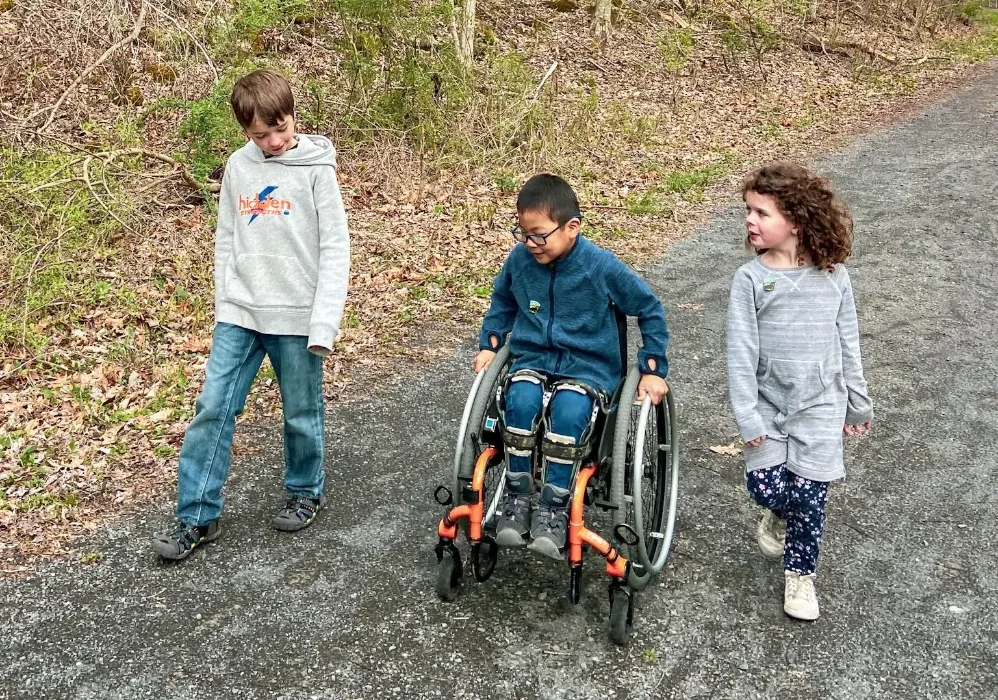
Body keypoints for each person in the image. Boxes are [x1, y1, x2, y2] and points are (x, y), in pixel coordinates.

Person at [151, 69, 350, 560]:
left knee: (302, 413)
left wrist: (324, 322)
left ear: (292, 116)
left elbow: (335, 248)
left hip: (297, 316)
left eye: (280, 128)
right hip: (241, 313)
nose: (275, 141)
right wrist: (226, 300)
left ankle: (305, 492)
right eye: (262, 135)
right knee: (213, 408)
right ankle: (197, 516)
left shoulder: (316, 169)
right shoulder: (239, 167)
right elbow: (226, 238)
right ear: (244, 130)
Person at [474, 173, 670, 560]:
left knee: (569, 407)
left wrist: (652, 367)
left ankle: (554, 507)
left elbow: (649, 308)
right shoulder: (520, 261)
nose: (529, 243)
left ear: (572, 228)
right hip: (533, 360)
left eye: (538, 234)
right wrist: (490, 343)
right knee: (521, 395)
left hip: (588, 368)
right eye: (522, 233)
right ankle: (517, 496)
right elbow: (502, 300)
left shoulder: (600, 266)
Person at [726, 162, 873, 620]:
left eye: (761, 213)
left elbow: (848, 342)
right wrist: (748, 416)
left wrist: (857, 402)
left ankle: (800, 577)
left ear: (795, 219)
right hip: (769, 406)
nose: (750, 220)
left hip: (821, 404)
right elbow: (740, 354)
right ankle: (776, 514)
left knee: (811, 497)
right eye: (748, 211)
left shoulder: (834, 276)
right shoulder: (750, 280)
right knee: (767, 487)